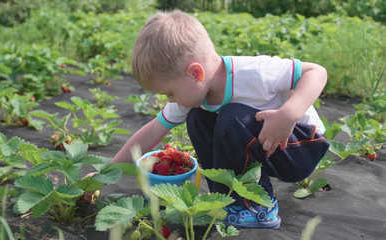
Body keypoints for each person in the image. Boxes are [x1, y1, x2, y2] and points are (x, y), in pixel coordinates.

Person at [96, 10, 330, 229]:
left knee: (230, 117)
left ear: (195, 73)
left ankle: (261, 208)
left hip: (300, 147)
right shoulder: (196, 93)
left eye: (170, 93)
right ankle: (227, 201)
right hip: (269, 147)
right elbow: (151, 131)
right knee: (197, 117)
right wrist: (104, 174)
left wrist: (289, 113)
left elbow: (316, 72)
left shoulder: (254, 73)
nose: (170, 100)